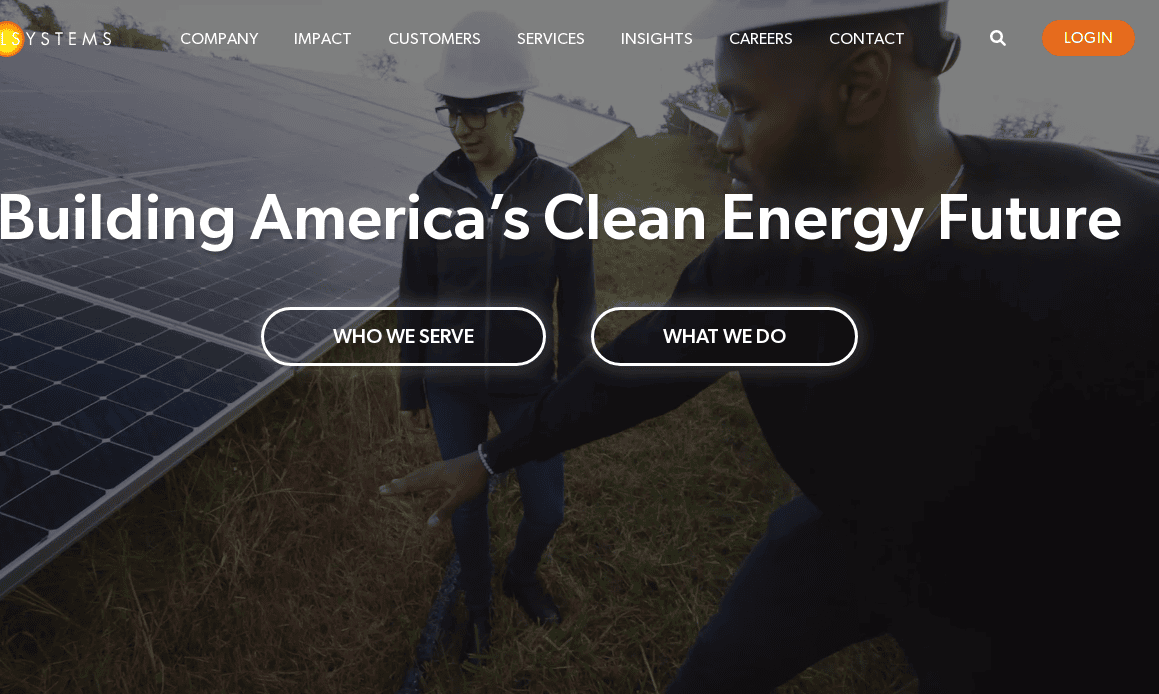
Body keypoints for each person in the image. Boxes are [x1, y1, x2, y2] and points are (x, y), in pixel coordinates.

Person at [383, 0, 1158, 691]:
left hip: (1010, 584)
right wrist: (490, 458)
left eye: (745, 108)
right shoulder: (759, 260)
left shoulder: (1114, 239)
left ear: (859, 84)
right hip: (843, 530)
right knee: (716, 669)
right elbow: (639, 368)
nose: (724, 138)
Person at [395, 11, 596, 668]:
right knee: (467, 506)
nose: (462, 126)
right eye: (452, 111)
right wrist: (411, 384)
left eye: (477, 111)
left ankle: (521, 574)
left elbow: (578, 299)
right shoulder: (432, 193)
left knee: (548, 508)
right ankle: (478, 606)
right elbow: (416, 295)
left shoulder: (560, 190)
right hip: (450, 383)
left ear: (514, 111)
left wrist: (576, 384)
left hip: (528, 385)